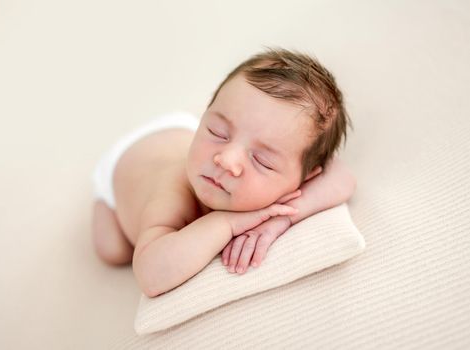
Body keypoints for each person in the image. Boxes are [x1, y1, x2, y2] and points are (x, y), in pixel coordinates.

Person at [91, 47, 357, 298]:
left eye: (262, 160)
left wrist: (284, 219)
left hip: (180, 137)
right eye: (217, 132)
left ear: (306, 176)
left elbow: (343, 177)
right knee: (114, 250)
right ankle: (102, 199)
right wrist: (226, 223)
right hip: (127, 163)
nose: (227, 160)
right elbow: (151, 275)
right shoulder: (172, 193)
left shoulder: (289, 172)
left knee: (240, 127)